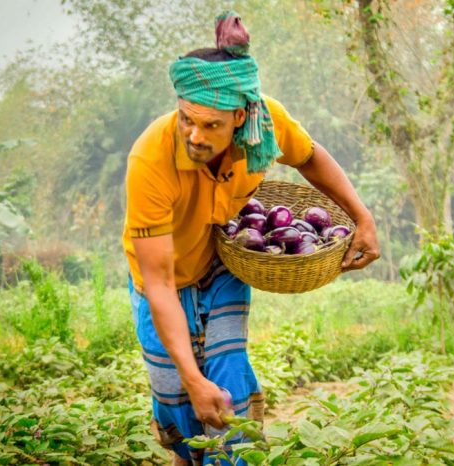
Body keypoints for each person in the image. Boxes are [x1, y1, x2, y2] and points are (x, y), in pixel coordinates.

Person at [123, 11, 379, 466]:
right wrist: (191, 380)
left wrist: (362, 217)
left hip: (221, 264)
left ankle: (234, 459)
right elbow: (159, 283)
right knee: (175, 392)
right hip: (161, 280)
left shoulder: (267, 122)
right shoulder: (151, 159)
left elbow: (311, 158)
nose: (194, 136)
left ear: (241, 116)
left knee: (228, 376)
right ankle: (187, 457)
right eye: (186, 119)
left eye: (211, 125)